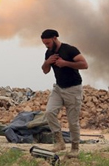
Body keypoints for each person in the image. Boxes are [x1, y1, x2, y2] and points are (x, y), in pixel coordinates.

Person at [40, 29, 88, 158]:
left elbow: (84, 64)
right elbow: (45, 71)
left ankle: (75, 148)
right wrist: (47, 62)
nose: (47, 46)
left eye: (48, 43)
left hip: (73, 89)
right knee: (49, 112)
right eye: (45, 44)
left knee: (73, 122)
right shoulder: (48, 53)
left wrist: (65, 63)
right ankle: (59, 142)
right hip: (58, 88)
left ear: (55, 38)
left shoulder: (70, 50)